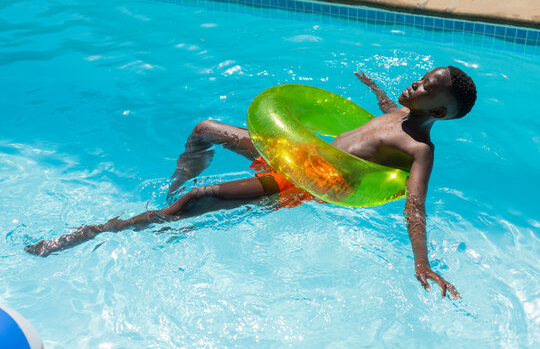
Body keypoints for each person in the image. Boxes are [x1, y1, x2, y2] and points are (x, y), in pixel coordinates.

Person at [25, 66, 477, 299]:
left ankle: (96, 232)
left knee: (196, 201)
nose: (413, 85)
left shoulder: (420, 149)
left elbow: (414, 205)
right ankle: (179, 176)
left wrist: (422, 263)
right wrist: (376, 89)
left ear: (437, 113)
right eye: (418, 79)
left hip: (306, 183)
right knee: (204, 128)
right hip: (296, 157)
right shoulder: (398, 112)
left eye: (423, 87)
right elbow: (380, 112)